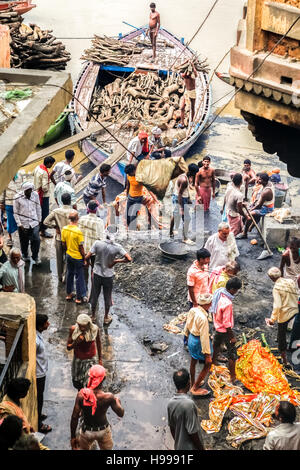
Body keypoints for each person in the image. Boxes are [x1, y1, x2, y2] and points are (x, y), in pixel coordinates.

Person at [70, 364, 124, 450]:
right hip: (103, 431)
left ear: (89, 377)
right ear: (104, 378)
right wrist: (117, 401)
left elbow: (74, 417)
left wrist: (73, 437)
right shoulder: (109, 397)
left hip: (87, 431)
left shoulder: (81, 395)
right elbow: (121, 413)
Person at [86, 226, 132, 324]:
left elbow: (87, 256)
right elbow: (129, 259)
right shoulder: (117, 247)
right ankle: (106, 317)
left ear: (105, 233)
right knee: (107, 296)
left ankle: (93, 316)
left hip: (97, 274)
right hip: (108, 276)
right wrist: (116, 261)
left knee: (94, 295)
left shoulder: (97, 243)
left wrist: (89, 263)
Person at [265, 267, 298, 366]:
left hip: (285, 315)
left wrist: (272, 319)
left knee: (282, 336)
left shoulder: (276, 288)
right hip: (295, 309)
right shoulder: (290, 281)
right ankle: (290, 344)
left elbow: (277, 306)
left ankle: (285, 360)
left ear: (271, 278)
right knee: (292, 328)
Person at [211, 277, 242, 383]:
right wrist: (232, 337)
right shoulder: (227, 303)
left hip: (217, 327)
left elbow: (213, 310)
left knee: (216, 346)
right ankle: (233, 377)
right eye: (236, 290)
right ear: (232, 289)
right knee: (232, 354)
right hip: (224, 331)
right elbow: (227, 323)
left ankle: (213, 365)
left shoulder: (219, 293)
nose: (236, 293)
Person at [167, 368, 204, 450]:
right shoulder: (189, 404)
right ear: (188, 383)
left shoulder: (170, 403)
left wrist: (179, 442)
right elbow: (193, 433)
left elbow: (172, 427)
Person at [184, 294, 213, 396]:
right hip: (198, 341)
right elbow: (204, 337)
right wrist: (208, 355)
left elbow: (187, 324)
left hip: (191, 338)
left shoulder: (193, 309)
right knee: (208, 364)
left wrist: (186, 335)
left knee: (193, 360)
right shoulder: (203, 319)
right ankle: (195, 388)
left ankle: (193, 382)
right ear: (208, 304)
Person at [67, 314, 102, 391]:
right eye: (80, 326)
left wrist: (100, 360)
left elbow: (98, 343)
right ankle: (81, 396)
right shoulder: (73, 329)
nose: (82, 328)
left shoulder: (95, 329)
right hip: (78, 359)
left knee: (90, 383)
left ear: (89, 324)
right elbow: (68, 347)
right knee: (77, 382)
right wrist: (76, 342)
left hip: (91, 359)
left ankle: (88, 399)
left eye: (84, 326)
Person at [44, 192, 73, 282]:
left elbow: (45, 222)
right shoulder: (73, 212)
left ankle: (60, 277)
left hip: (59, 238)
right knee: (68, 258)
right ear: (70, 201)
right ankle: (65, 275)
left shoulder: (56, 211)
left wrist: (55, 226)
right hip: (70, 239)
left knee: (59, 259)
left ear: (61, 201)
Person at [237, 173, 274, 239]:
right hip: (261, 204)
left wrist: (250, 210)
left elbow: (259, 206)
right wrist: (252, 204)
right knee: (246, 214)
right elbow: (258, 199)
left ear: (264, 181)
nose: (257, 180)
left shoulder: (266, 191)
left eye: (260, 179)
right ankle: (248, 227)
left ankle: (244, 233)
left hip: (267, 208)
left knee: (249, 215)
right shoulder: (266, 184)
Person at [61, 211, 87, 304]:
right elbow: (81, 247)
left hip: (69, 255)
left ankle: (69, 294)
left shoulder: (64, 229)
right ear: (77, 219)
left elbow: (63, 243)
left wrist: (68, 251)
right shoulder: (78, 231)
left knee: (69, 274)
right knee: (79, 277)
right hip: (77, 257)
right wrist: (84, 258)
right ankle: (79, 298)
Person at [13, 182, 42, 264]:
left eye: (30, 191)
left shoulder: (35, 195)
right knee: (24, 241)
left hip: (34, 222)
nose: (29, 193)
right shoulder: (17, 197)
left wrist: (39, 220)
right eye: (27, 191)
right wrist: (20, 224)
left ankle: (35, 256)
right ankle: (25, 255)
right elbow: (15, 212)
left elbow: (38, 207)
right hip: (23, 224)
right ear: (24, 190)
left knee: (36, 240)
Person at [170, 163, 199, 244]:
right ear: (193, 172)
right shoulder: (184, 180)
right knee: (187, 219)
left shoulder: (186, 176)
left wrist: (188, 197)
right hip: (180, 199)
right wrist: (181, 208)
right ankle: (185, 238)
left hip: (181, 198)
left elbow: (184, 190)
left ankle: (170, 232)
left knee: (175, 215)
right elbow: (180, 194)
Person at [280, 237, 300, 350]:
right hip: (289, 279)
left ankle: (291, 324)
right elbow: (281, 268)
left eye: (294, 247)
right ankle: (287, 323)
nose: (292, 249)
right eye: (291, 247)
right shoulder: (286, 255)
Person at [36, 313, 52, 434]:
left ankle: (39, 414)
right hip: (38, 373)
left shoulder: (38, 335)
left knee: (40, 396)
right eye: (46, 323)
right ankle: (38, 424)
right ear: (41, 326)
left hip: (41, 370)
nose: (48, 324)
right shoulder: (35, 341)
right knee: (39, 397)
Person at [33, 156, 56, 238]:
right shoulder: (45, 172)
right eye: (52, 164)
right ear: (49, 163)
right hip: (43, 196)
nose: (52, 166)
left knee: (38, 211)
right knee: (44, 213)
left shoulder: (37, 167)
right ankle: (43, 231)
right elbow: (45, 188)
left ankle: (39, 228)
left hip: (36, 192)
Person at [124, 164, 149, 230]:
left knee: (133, 216)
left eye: (130, 173)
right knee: (127, 216)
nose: (129, 174)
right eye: (128, 173)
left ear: (134, 170)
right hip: (130, 198)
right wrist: (126, 196)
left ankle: (133, 230)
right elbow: (128, 186)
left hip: (138, 199)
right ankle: (131, 229)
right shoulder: (129, 175)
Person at [0, 174, 20, 247]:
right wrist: (1, 203)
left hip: (19, 203)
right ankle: (10, 238)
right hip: (9, 203)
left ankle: (21, 236)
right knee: (10, 221)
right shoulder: (5, 179)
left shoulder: (19, 177)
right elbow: (2, 192)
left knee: (20, 221)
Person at [179, 62, 198, 128]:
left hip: (192, 92)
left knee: (192, 107)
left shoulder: (192, 75)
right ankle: (182, 122)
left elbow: (196, 74)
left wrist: (193, 66)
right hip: (186, 92)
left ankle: (192, 121)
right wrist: (186, 62)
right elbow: (179, 68)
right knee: (182, 107)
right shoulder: (184, 75)